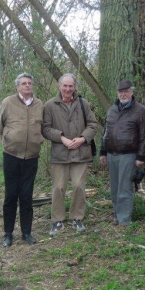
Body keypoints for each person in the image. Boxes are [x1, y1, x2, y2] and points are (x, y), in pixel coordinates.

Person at [42, 73, 99, 236]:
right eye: (65, 86)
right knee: (58, 187)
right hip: (60, 154)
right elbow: (45, 129)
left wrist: (82, 139)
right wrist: (62, 138)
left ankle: (77, 218)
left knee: (78, 186)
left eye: (70, 86)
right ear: (59, 87)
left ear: (75, 87)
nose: (68, 89)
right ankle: (57, 220)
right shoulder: (50, 105)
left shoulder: (83, 103)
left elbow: (93, 125)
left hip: (81, 153)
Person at [0, 72, 44, 247]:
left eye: (30, 83)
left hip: (31, 157)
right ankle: (8, 233)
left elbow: (43, 127)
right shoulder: (8, 103)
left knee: (26, 196)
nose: (27, 86)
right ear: (17, 87)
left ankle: (26, 232)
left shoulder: (39, 104)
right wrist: (10, 139)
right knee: (10, 195)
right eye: (23, 83)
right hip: (11, 156)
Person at [99, 80, 145, 227]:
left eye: (126, 91)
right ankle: (116, 215)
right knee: (114, 188)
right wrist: (103, 152)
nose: (123, 94)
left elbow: (144, 135)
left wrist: (141, 156)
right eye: (121, 91)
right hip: (112, 154)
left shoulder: (140, 110)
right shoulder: (112, 109)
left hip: (129, 154)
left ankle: (124, 220)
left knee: (125, 188)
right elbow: (106, 132)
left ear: (132, 92)